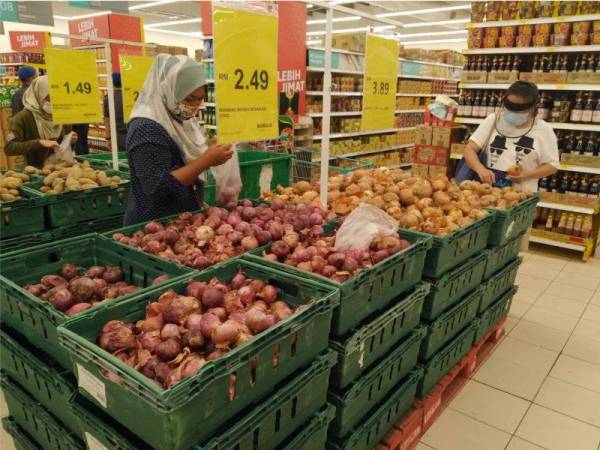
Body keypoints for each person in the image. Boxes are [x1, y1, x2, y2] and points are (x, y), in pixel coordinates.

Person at [124, 54, 237, 225]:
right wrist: (206, 160)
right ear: (168, 90)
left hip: (179, 219)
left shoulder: (179, 117)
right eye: (189, 99)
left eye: (200, 98)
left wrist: (210, 148)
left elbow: (184, 155)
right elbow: (158, 188)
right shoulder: (145, 128)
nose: (195, 106)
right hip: (152, 225)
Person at [462, 80, 559, 193]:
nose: (512, 113)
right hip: (485, 192)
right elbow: (470, 149)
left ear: (533, 108)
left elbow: (552, 165)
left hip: (520, 197)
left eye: (519, 110)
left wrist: (527, 175)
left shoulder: (544, 130)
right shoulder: (493, 120)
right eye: (509, 108)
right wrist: (480, 169)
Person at [5, 75, 77, 167]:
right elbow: (9, 148)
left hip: (58, 170)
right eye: (48, 98)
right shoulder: (23, 118)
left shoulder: (61, 117)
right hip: (33, 172)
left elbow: (64, 148)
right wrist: (39, 143)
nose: (52, 102)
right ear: (37, 95)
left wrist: (70, 141)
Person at [103, 72, 127, 151]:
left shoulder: (108, 98)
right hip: (131, 134)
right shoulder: (129, 96)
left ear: (112, 83)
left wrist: (108, 138)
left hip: (116, 136)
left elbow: (107, 120)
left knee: (119, 159)